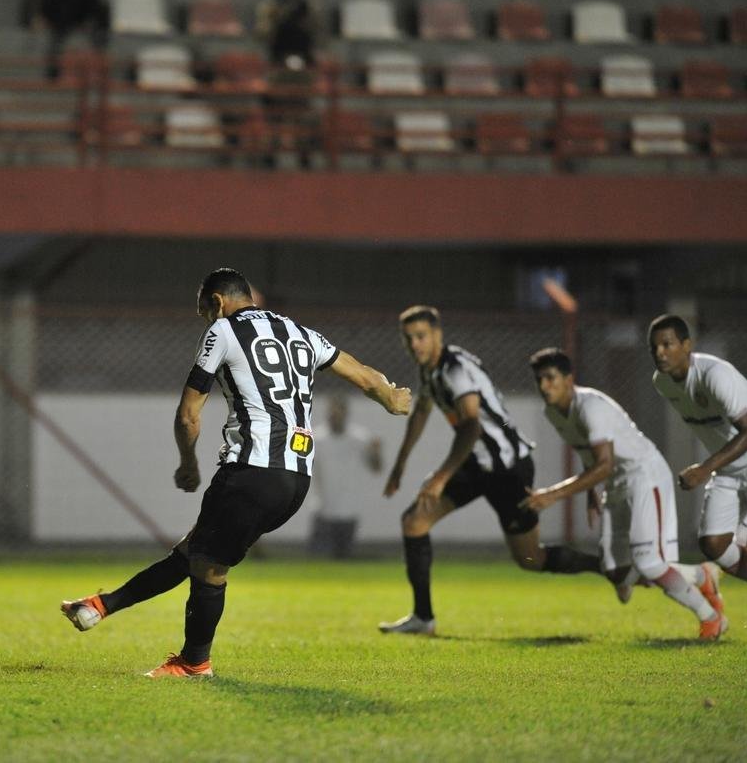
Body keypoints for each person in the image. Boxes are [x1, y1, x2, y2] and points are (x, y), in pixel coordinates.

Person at [60, 268, 412, 677]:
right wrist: (391, 398)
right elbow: (365, 376)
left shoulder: (223, 331)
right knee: (194, 552)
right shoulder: (301, 333)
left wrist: (188, 463)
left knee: (208, 565)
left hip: (251, 470)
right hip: (295, 479)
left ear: (217, 302)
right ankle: (99, 607)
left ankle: (194, 663)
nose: (206, 320)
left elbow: (189, 414)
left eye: (204, 312)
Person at [379, 306, 603, 635]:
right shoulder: (430, 371)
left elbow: (470, 426)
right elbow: (422, 411)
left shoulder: (455, 368)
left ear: (438, 334)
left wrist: (440, 477)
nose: (415, 344)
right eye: (409, 338)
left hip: (507, 467)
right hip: (475, 464)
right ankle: (423, 618)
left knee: (530, 559)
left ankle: (603, 566)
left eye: (421, 336)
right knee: (414, 521)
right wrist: (400, 465)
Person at [522, 348, 727, 640]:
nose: (544, 386)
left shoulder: (590, 406)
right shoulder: (553, 411)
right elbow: (589, 452)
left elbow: (603, 464)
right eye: (539, 380)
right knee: (614, 570)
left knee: (650, 564)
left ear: (569, 379)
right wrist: (590, 491)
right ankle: (700, 575)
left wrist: (552, 495)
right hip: (615, 483)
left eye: (550, 378)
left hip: (644, 477)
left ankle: (711, 618)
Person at [648, 314, 747, 588]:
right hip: (731, 465)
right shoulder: (662, 382)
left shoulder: (714, 375)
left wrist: (704, 468)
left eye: (667, 344)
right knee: (714, 544)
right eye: (654, 347)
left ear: (687, 345)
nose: (660, 353)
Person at [254, 0, 320, 169]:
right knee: (274, 111)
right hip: (278, 64)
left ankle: (304, 153)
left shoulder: (309, 6)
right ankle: (270, 153)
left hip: (303, 66)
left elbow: (317, 34)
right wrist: (277, 18)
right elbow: (262, 34)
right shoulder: (271, 6)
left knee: (303, 112)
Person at [308, 394, 384, 559]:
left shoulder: (360, 438)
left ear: (345, 414)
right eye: (332, 413)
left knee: (345, 558)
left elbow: (376, 467)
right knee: (319, 560)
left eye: (338, 413)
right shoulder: (316, 438)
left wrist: (376, 452)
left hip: (349, 508)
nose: (334, 417)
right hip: (323, 507)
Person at [33, 0, 110, 81]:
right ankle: (54, 63)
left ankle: (100, 36)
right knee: (66, 2)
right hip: (55, 4)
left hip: (76, 3)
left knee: (101, 4)